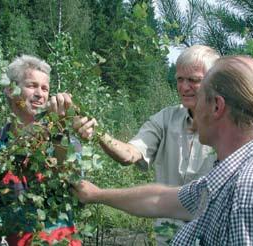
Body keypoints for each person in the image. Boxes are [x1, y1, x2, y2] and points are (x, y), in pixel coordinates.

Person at [72, 55, 253, 245]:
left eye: (199, 93)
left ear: (217, 106)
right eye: (180, 80)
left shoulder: (252, 191)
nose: (188, 98)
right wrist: (96, 194)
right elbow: (160, 199)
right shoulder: (231, 176)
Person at [73, 45, 219, 244]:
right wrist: (98, 132)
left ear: (213, 82)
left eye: (193, 80)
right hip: (169, 239)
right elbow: (129, 154)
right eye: (179, 79)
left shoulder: (227, 126)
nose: (184, 87)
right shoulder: (166, 119)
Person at [0, 55, 80, 245]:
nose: (40, 94)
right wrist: (23, 142)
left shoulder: (61, 138)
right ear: (11, 90)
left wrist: (57, 131)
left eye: (45, 88)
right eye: (32, 86)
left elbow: (71, 176)